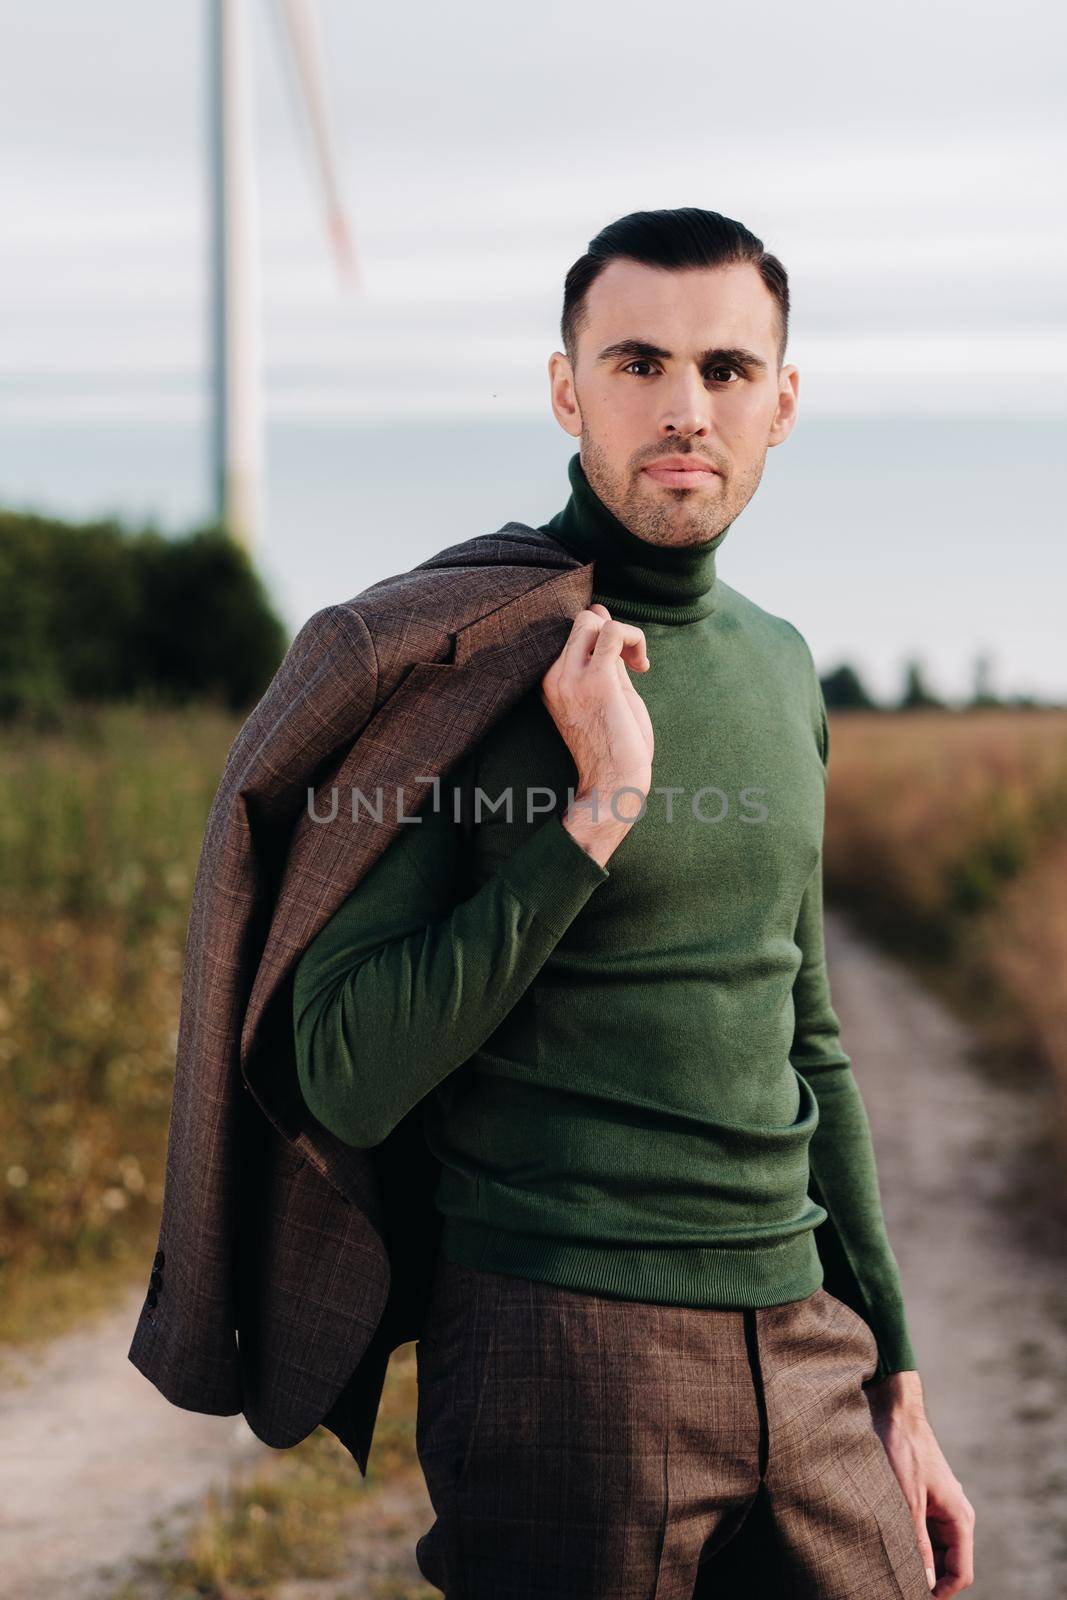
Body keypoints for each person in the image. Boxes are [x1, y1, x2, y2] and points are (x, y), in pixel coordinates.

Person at [291, 207, 975, 1598]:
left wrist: (898, 1377)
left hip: (808, 1339)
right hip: (561, 1346)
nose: (683, 408)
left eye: (726, 371)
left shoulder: (783, 668)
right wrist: (591, 814)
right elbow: (346, 1071)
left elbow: (809, 1029)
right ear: (566, 387)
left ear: (782, 404)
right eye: (637, 363)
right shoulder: (455, 662)